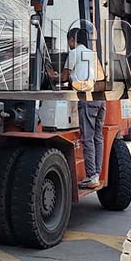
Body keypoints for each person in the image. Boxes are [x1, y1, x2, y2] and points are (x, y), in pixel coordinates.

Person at [46, 27, 104, 189]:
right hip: (100, 99)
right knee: (98, 138)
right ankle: (96, 174)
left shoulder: (74, 53)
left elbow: (64, 77)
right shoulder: (92, 54)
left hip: (86, 98)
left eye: (69, 41)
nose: (69, 44)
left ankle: (92, 176)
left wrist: (53, 75)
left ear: (72, 39)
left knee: (87, 138)